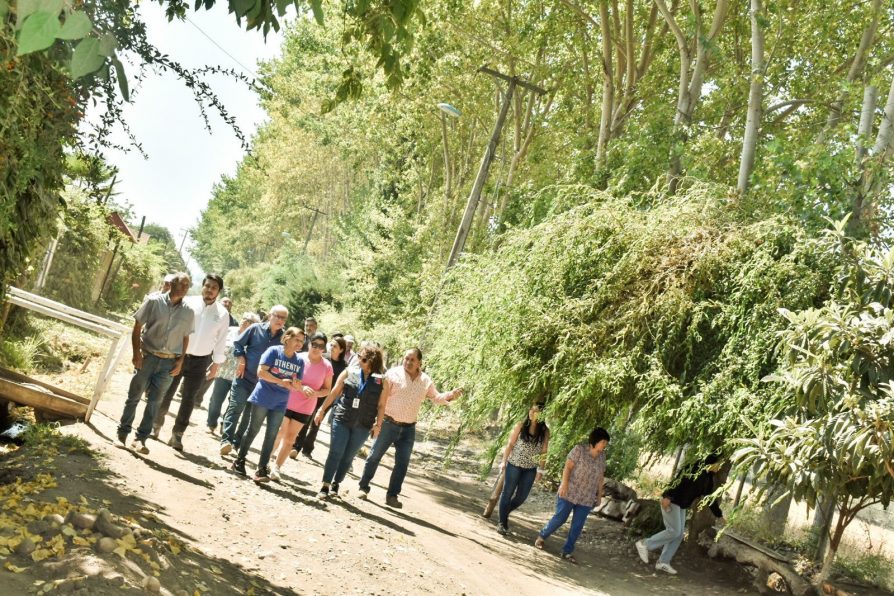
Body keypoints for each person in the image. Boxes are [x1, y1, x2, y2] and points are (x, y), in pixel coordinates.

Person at [357, 348, 462, 508]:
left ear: (420, 362)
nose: (408, 362)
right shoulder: (393, 374)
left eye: (412, 359)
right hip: (388, 423)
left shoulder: (425, 380)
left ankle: (392, 496)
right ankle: (363, 487)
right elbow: (381, 400)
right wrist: (377, 422)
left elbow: (435, 397)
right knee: (374, 456)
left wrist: (450, 395)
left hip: (408, 428)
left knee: (402, 463)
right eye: (406, 358)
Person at [117, 273, 194, 454]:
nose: (184, 288)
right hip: (148, 357)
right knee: (134, 397)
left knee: (155, 403)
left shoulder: (189, 312)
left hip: (168, 364)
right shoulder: (154, 302)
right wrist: (136, 353)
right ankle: (122, 434)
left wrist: (181, 360)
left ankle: (140, 439)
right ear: (172, 284)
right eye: (181, 284)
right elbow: (137, 327)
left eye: (187, 285)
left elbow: (185, 337)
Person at [153, 274, 230, 451]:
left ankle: (177, 434)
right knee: (167, 391)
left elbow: (221, 341)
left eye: (214, 288)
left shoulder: (222, 314)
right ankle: (155, 425)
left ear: (218, 291)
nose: (210, 290)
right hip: (177, 355)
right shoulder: (188, 302)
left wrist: (216, 365)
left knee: (189, 398)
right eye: (207, 286)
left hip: (201, 361)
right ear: (202, 286)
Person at [231, 327, 305, 482]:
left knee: (272, 435)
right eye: (297, 339)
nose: (300, 343)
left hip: (281, 401)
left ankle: (261, 469)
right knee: (253, 430)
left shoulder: (299, 361)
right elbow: (261, 373)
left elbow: (295, 384)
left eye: (302, 341)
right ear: (287, 338)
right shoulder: (274, 351)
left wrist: (298, 386)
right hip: (262, 397)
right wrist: (280, 381)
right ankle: (239, 460)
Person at [314, 344, 388, 499]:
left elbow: (381, 405)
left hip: (363, 424)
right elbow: (334, 393)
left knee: (348, 456)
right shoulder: (349, 372)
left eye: (364, 358)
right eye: (359, 356)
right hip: (342, 418)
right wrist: (321, 410)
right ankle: (325, 485)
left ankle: (336, 483)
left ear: (373, 361)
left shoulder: (382, 381)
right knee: (336, 451)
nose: (359, 360)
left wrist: (378, 425)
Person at [635, 454, 725, 575]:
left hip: (681, 506)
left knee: (678, 535)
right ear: (713, 463)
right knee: (674, 531)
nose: (719, 467)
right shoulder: (693, 468)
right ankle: (644, 544)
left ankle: (663, 562)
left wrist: (719, 515)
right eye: (719, 464)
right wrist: (667, 496)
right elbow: (677, 482)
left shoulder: (709, 478)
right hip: (672, 501)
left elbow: (710, 498)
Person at [219, 304, 291, 455]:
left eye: (283, 318)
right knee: (236, 406)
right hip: (244, 376)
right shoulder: (255, 328)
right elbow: (238, 343)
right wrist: (241, 360)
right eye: (277, 316)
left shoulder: (284, 339)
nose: (279, 320)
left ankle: (236, 443)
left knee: (248, 416)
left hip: (263, 385)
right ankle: (226, 440)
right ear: (270, 315)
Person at [534, 427, 610, 563]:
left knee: (578, 525)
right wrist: (564, 484)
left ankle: (567, 551)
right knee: (560, 518)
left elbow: (600, 477)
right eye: (603, 442)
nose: (605, 445)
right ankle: (541, 537)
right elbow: (567, 467)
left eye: (606, 443)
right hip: (570, 491)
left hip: (587, 496)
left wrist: (599, 495)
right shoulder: (579, 450)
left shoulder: (602, 457)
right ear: (596, 440)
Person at [269, 332, 333, 480]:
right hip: (286, 401)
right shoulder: (298, 358)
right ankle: (265, 461)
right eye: (314, 344)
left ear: (324, 348)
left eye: (320, 346)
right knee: (280, 432)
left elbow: (327, 390)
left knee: (290, 439)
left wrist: (315, 393)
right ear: (308, 343)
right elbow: (285, 377)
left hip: (306, 407)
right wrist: (301, 387)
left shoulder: (327, 366)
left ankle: (276, 468)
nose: (316, 348)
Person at [290, 335, 347, 459]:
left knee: (317, 422)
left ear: (341, 350)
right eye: (330, 345)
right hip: (313, 394)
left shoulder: (344, 366)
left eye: (335, 346)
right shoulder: (323, 358)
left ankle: (308, 448)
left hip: (328, 397)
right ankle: (296, 446)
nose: (331, 347)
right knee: (306, 419)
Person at [497, 401, 550, 535]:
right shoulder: (521, 425)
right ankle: (502, 524)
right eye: (531, 410)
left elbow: (544, 452)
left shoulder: (544, 431)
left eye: (536, 411)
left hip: (530, 469)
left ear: (541, 414)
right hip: (514, 465)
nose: (532, 413)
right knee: (507, 493)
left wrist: (541, 470)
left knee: (521, 497)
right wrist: (503, 461)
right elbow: (510, 444)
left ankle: (504, 511)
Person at [206, 312, 260, 434]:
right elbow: (218, 346)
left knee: (233, 404)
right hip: (222, 371)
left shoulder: (254, 339)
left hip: (240, 376)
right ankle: (211, 422)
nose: (245, 321)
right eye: (244, 318)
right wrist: (213, 363)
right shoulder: (230, 330)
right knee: (216, 399)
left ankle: (224, 424)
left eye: (250, 321)